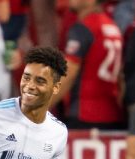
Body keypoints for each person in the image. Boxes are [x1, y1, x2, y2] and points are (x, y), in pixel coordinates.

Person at [53, 0, 125, 130]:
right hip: (113, 114)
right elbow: (120, 75)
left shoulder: (83, 28)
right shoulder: (113, 27)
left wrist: (40, 108)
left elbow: (68, 74)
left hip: (85, 115)